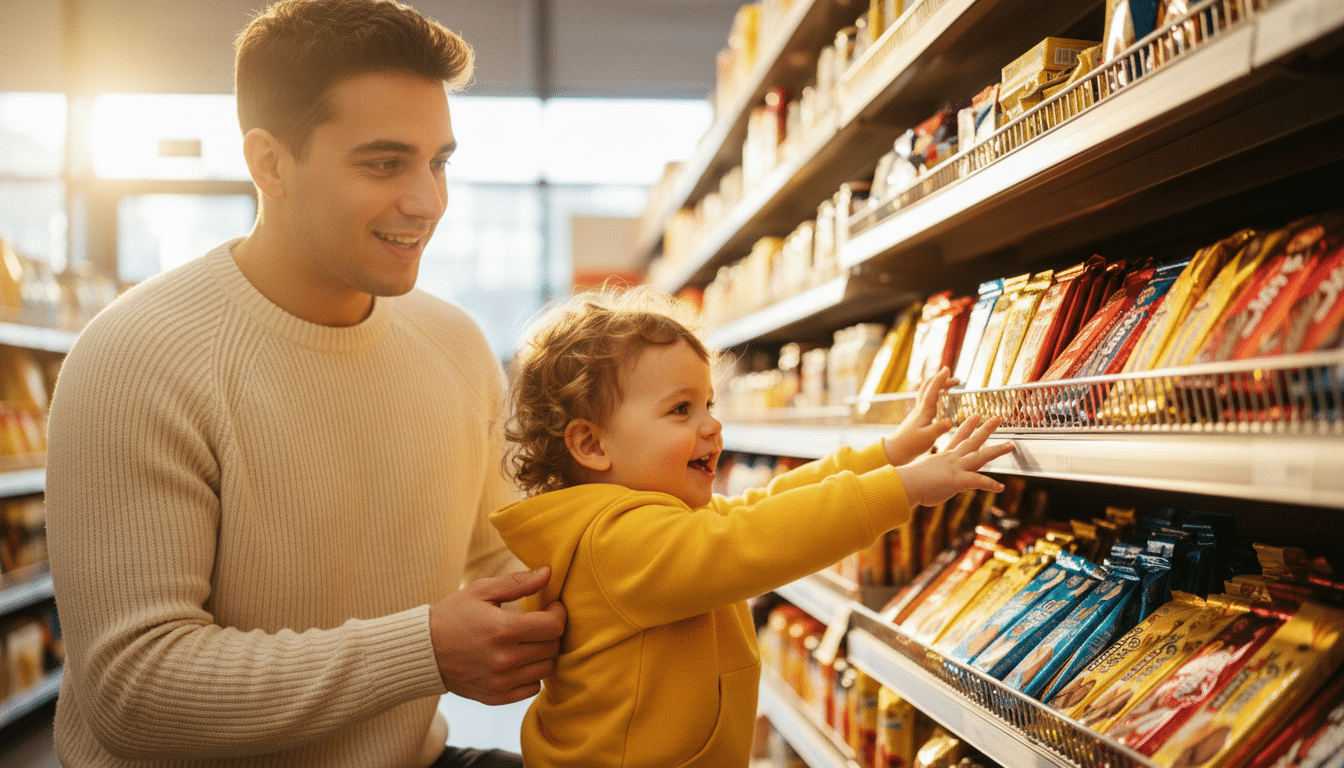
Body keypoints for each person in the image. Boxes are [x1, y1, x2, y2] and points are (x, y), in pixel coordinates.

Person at [44, 1, 564, 766]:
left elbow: (499, 564)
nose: (428, 201)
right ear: (269, 163)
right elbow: (134, 687)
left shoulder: (453, 346)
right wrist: (422, 651)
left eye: (438, 161)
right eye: (384, 163)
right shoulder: (136, 357)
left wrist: (658, 545)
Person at [489, 287, 1015, 768]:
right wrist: (900, 489)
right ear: (593, 445)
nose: (712, 424)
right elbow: (756, 536)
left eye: (708, 404)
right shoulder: (615, 546)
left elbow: (764, 506)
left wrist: (886, 456)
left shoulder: (657, 524)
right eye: (680, 409)